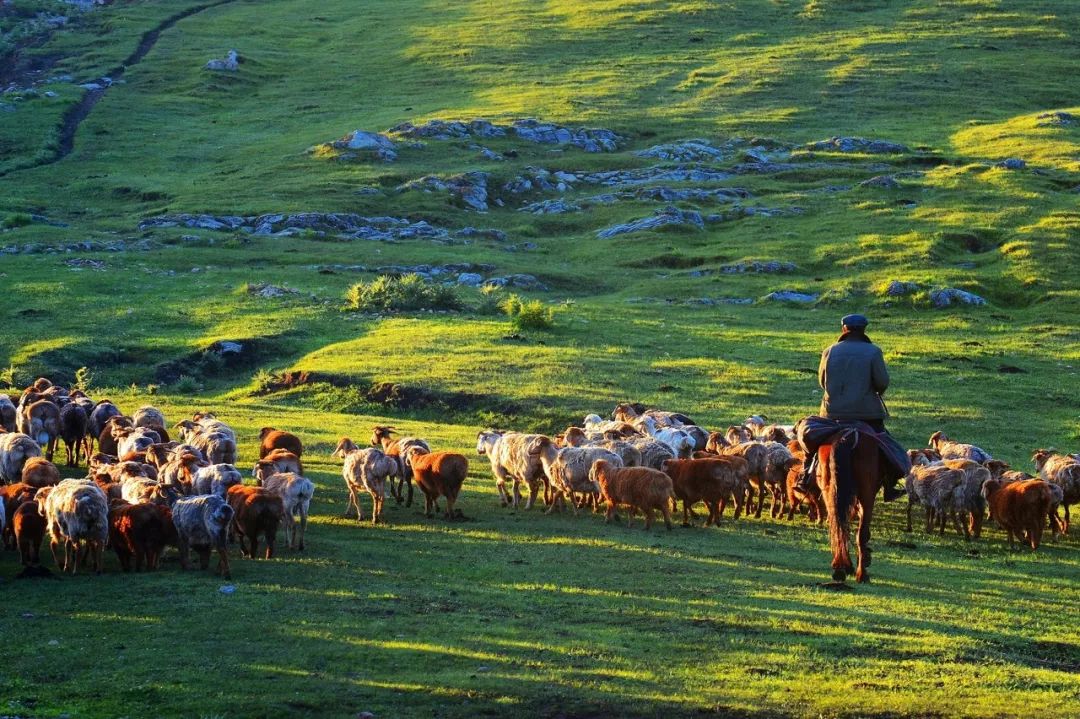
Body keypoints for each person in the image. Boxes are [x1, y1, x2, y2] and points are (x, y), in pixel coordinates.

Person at [800, 313, 906, 501]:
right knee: (886, 444)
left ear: (844, 329)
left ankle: (805, 476)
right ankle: (890, 484)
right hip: (867, 416)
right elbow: (882, 382)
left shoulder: (829, 351)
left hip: (832, 414)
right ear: (864, 329)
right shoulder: (874, 351)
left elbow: (822, 381)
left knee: (815, 444)